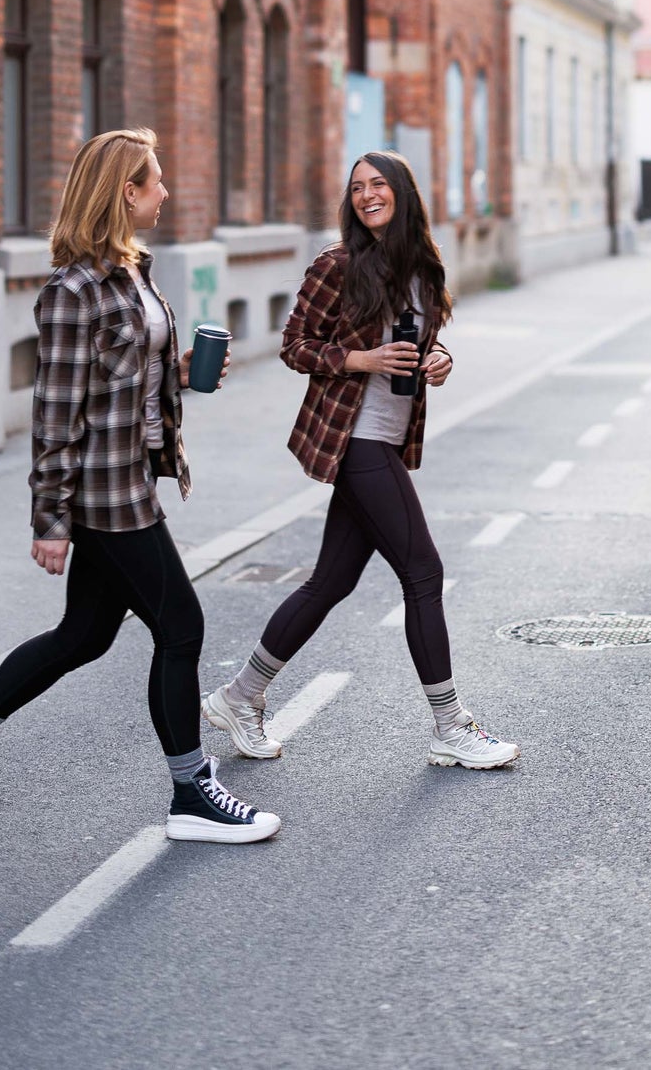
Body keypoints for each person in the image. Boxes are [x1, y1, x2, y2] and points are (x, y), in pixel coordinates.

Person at [0, 129, 280, 845]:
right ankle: (191, 793)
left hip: (133, 478)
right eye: (155, 181)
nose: (166, 191)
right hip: (106, 497)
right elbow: (55, 414)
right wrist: (49, 520)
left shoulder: (133, 271)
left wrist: (175, 374)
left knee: (83, 635)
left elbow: (122, 377)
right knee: (182, 627)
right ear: (125, 192)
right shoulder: (72, 290)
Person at [202, 151, 520, 771]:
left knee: (331, 581)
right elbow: (295, 346)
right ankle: (451, 726)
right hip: (355, 437)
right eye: (356, 188)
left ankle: (239, 695)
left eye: (378, 185)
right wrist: (361, 360)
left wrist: (439, 358)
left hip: (388, 435)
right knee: (423, 573)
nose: (367, 195)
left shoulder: (422, 265)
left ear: (402, 192)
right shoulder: (338, 263)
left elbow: (424, 339)